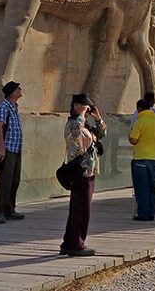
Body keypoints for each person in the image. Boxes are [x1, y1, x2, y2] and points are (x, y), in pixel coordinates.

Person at [60, 92, 105, 257]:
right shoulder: (72, 124)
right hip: (79, 170)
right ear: (75, 106)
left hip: (89, 170)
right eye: (84, 106)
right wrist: (80, 115)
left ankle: (69, 242)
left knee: (78, 207)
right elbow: (73, 134)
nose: (86, 111)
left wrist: (97, 117)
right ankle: (77, 244)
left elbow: (101, 134)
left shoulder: (85, 124)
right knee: (81, 208)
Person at [0, 80, 24, 223]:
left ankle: (10, 209)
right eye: (18, 88)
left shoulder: (15, 107)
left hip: (16, 148)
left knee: (14, 180)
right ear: (12, 92)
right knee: (5, 181)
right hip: (8, 148)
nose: (21, 90)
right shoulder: (4, 107)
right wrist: (2, 148)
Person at [128, 96, 155, 221]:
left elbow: (133, 140)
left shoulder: (139, 121)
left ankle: (143, 214)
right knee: (152, 186)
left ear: (139, 109)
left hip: (141, 158)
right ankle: (151, 212)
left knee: (141, 187)